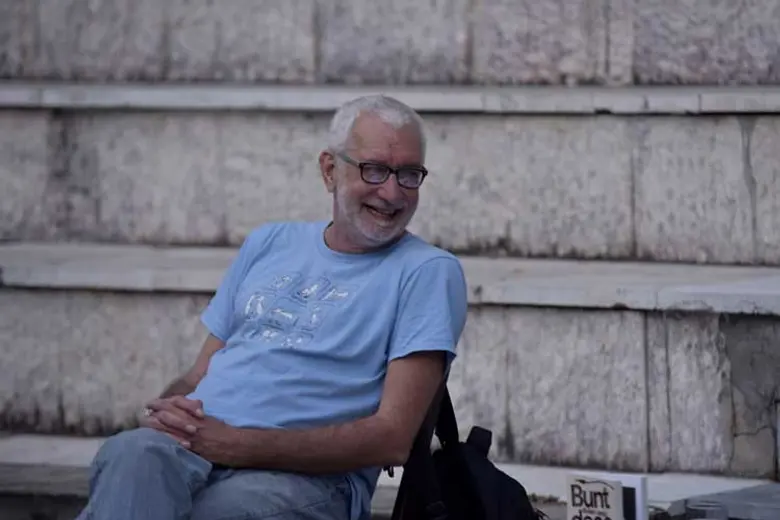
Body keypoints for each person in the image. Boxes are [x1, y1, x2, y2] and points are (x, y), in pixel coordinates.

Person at [76, 95, 469, 520]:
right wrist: (166, 412)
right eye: (373, 169)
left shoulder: (427, 271)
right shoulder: (270, 242)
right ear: (329, 170)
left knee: (219, 512)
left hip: (303, 479)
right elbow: (197, 375)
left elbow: (392, 438)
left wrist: (236, 444)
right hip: (195, 449)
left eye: (408, 175)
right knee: (131, 454)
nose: (392, 193)